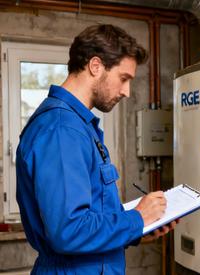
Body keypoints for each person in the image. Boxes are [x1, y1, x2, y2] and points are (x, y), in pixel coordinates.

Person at [16, 24, 175, 274]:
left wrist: (140, 226)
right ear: (95, 66)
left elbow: (92, 214)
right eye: (124, 79)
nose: (127, 91)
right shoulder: (62, 130)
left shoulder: (78, 126)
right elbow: (69, 231)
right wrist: (137, 218)